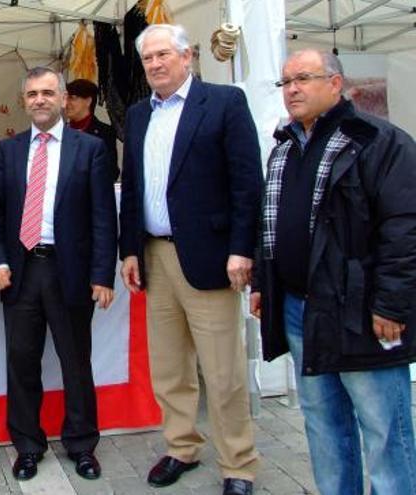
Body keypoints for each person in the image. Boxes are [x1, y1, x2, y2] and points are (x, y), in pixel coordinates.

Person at [251, 49, 416, 495]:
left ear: (336, 84)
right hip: (299, 308)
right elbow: (271, 221)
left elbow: (405, 231)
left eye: (303, 78)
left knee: (384, 431)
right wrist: (263, 283)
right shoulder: (284, 147)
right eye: (285, 83)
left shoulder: (380, 142)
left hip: (361, 311)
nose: (292, 90)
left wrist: (391, 304)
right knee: (324, 425)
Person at [118, 24, 262, 495]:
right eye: (148, 59)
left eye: (163, 55)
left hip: (213, 257)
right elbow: (132, 190)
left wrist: (243, 248)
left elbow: (247, 183)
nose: (155, 65)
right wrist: (129, 250)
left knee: (223, 372)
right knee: (170, 368)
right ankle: (181, 446)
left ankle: (238, 465)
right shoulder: (138, 115)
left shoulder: (224, 102)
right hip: (155, 256)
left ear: (187, 56)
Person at [0, 67, 117, 482]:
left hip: (71, 272)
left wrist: (102, 274)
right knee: (21, 362)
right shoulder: (8, 150)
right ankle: (27, 446)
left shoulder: (91, 149)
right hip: (21, 272)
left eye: (47, 93)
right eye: (31, 94)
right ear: (24, 101)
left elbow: (102, 218)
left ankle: (81, 445)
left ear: (63, 99)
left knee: (75, 362)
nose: (39, 100)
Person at [65, 78, 120, 181]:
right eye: (66, 98)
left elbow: (111, 172)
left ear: (88, 101)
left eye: (72, 98)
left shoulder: (105, 133)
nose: (67, 103)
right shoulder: (59, 131)